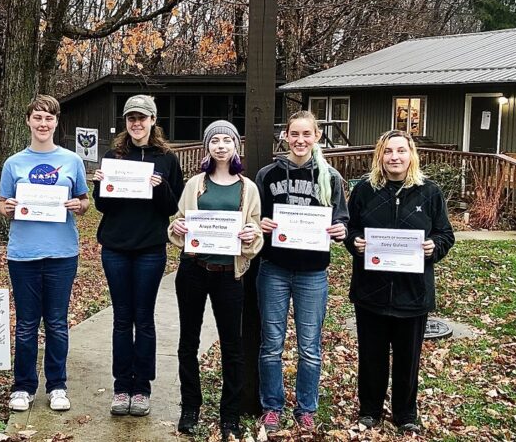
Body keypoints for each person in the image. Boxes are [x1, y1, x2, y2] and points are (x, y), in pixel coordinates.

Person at [344, 130, 454, 434]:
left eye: (401, 151)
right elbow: (350, 229)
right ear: (380, 156)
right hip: (371, 290)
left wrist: (435, 247)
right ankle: (370, 410)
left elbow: (446, 234)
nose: (395, 157)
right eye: (388, 151)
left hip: (413, 293)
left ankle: (406, 413)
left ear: (411, 154)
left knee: (408, 359)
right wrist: (356, 242)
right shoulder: (365, 191)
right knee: (371, 355)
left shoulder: (429, 192)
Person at [254, 111, 349, 434]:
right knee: (271, 344)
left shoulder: (330, 177)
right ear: (285, 136)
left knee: (309, 346)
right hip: (274, 269)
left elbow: (343, 219)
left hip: (312, 273)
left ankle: (306, 408)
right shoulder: (267, 174)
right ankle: (272, 406)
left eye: (306, 134)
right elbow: (254, 216)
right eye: (294, 134)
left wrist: (340, 230)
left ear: (317, 136)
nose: (300, 140)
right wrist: (260, 224)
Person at [168, 120, 263, 439]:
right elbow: (178, 224)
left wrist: (251, 234)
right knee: (188, 342)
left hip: (229, 275)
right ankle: (190, 407)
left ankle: (230, 415)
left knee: (233, 346)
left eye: (227, 140)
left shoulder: (248, 188)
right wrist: (177, 230)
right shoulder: (195, 184)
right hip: (194, 271)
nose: (220, 145)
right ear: (207, 147)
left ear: (236, 146)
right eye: (214, 140)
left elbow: (256, 232)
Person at [91, 95, 184, 417]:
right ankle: (121, 387)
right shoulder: (113, 156)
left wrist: (159, 187)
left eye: (142, 118)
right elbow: (104, 206)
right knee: (121, 318)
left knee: (143, 319)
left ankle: (141, 387)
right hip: (116, 248)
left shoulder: (167, 159)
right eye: (131, 118)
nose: (137, 123)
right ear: (125, 122)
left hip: (150, 249)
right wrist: (101, 186)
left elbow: (172, 208)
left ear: (152, 121)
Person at [0, 95, 89, 412]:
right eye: (37, 117)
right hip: (23, 253)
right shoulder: (14, 163)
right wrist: (7, 208)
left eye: (48, 118)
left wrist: (80, 205)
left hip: (62, 253)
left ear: (56, 122)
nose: (42, 123)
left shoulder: (72, 161)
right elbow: (2, 203)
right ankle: (22, 387)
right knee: (25, 325)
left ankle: (57, 386)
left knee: (56, 323)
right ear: (28, 121)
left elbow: (85, 201)